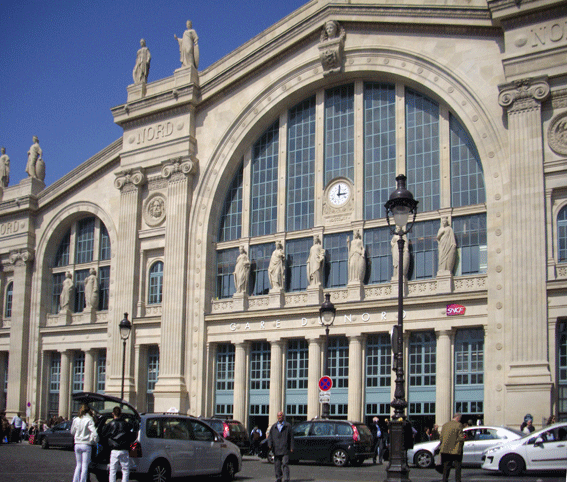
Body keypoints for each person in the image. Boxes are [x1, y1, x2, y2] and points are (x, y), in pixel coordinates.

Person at [101, 406, 136, 482]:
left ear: (113, 413)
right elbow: (132, 433)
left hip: (114, 449)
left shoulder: (111, 424)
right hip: (124, 449)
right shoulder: (125, 424)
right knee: (125, 469)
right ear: (121, 414)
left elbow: (103, 434)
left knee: (113, 470)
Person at [70, 404, 98, 482]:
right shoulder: (89, 420)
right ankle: (83, 481)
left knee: (78, 465)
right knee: (85, 466)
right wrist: (95, 440)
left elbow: (72, 432)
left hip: (77, 444)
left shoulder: (76, 419)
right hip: (86, 444)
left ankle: (75, 480)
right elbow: (95, 433)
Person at [268, 411, 294, 482]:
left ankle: (286, 478)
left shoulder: (288, 426)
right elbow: (270, 437)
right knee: (277, 465)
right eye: (278, 416)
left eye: (281, 415)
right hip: (276, 449)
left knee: (285, 464)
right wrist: (269, 444)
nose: (280, 417)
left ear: (283, 417)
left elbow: (291, 437)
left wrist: (292, 447)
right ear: (277, 417)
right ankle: (278, 478)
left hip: (285, 448)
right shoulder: (274, 427)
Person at [439, 412, 465, 482]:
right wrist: (461, 445)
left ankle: (445, 480)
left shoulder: (445, 425)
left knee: (446, 467)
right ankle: (457, 480)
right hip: (455, 450)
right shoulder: (458, 425)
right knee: (458, 467)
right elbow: (461, 438)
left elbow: (441, 437)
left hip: (445, 449)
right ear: (458, 417)